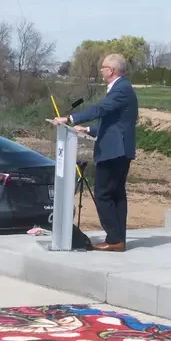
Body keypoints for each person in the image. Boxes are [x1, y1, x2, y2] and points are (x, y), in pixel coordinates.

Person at [53, 52, 138, 252]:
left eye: (103, 68)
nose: (101, 71)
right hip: (118, 148)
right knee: (116, 195)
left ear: (111, 70)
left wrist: (71, 119)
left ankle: (115, 239)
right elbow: (114, 122)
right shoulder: (121, 88)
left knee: (103, 194)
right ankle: (118, 238)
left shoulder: (121, 89)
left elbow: (101, 109)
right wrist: (89, 130)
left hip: (114, 151)